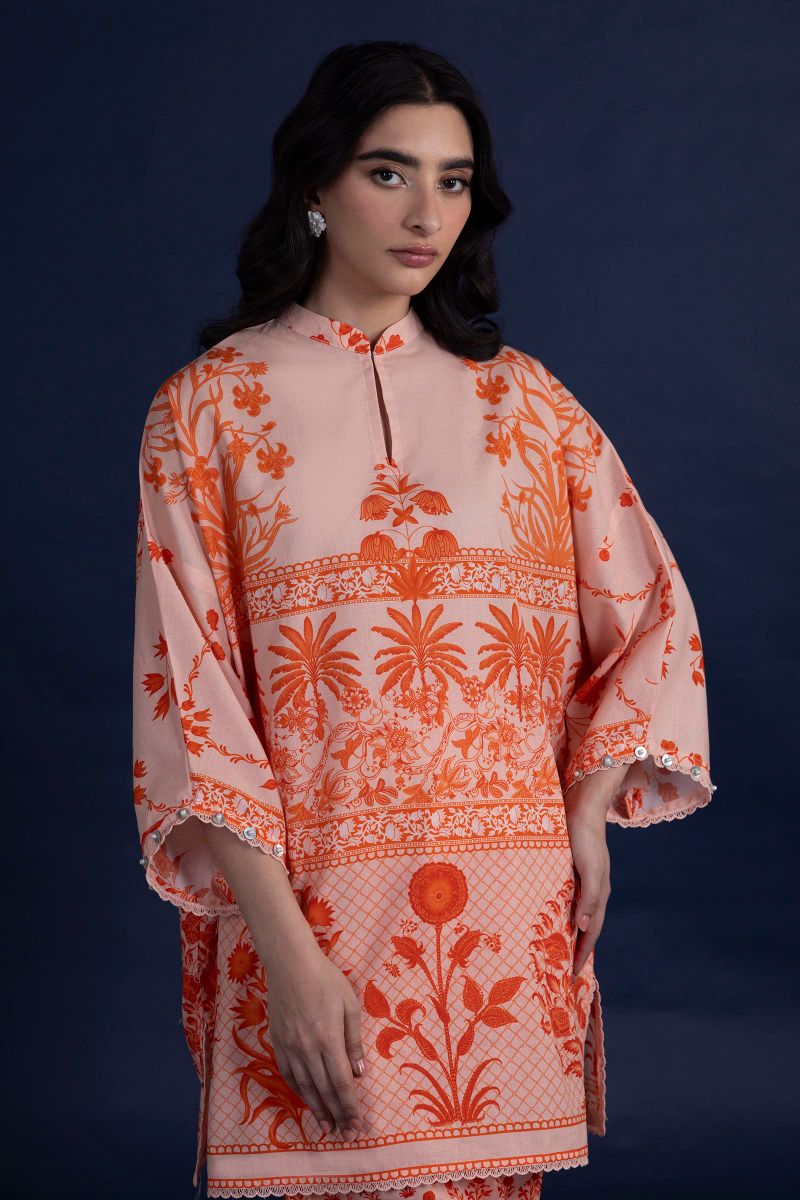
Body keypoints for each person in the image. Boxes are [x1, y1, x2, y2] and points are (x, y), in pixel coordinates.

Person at [131, 40, 716, 1200]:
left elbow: (652, 614)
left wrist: (586, 809)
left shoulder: (529, 406)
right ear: (314, 182)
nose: (425, 214)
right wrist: (286, 958)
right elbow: (194, 705)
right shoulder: (205, 414)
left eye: (452, 181)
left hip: (505, 930)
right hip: (310, 922)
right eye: (387, 172)